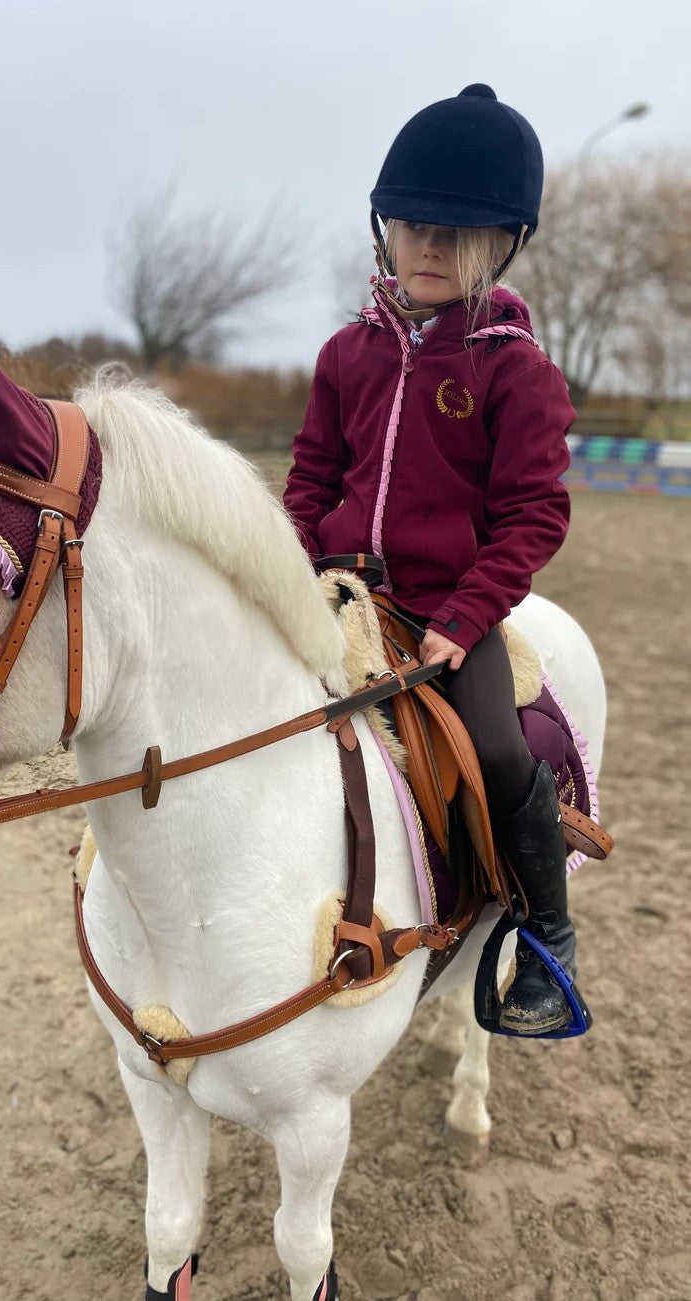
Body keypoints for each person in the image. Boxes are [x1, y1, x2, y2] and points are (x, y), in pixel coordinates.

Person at [283, 84, 580, 1035]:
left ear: (503, 243)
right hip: (339, 593)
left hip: (452, 611)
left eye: (458, 231)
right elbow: (310, 478)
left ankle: (544, 936)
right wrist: (288, 568)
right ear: (385, 232)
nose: (430, 248)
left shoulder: (516, 372)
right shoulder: (344, 355)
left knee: (495, 747)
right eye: (413, 225)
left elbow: (533, 516)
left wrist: (464, 618)